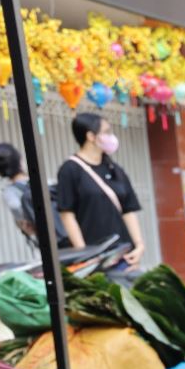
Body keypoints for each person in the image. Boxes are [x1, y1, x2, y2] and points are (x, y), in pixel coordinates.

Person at [57, 112, 145, 267]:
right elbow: (67, 215)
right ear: (91, 136)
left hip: (123, 254)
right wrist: (83, 254)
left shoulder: (114, 169)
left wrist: (139, 245)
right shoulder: (70, 170)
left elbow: (128, 210)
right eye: (106, 132)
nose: (111, 137)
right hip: (94, 258)